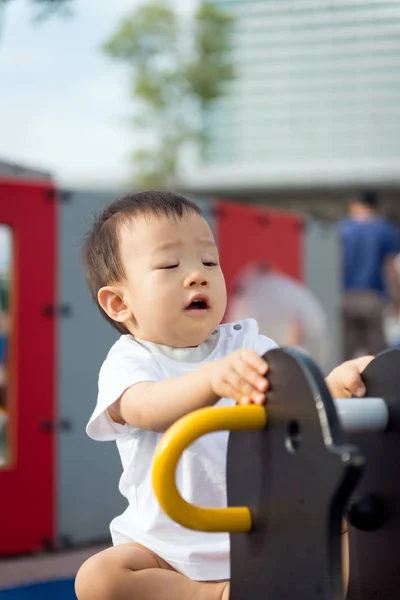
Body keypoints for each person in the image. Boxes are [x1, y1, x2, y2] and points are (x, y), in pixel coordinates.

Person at [75, 191, 373, 600]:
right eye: (169, 264)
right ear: (120, 303)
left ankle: (317, 590)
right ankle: (212, 595)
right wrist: (210, 381)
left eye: (209, 261)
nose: (197, 274)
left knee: (346, 514)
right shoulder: (132, 359)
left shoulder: (247, 341)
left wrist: (336, 387)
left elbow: (299, 405)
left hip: (264, 532)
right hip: (168, 551)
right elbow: (144, 407)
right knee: (98, 579)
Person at [339, 190, 400, 360]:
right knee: (378, 355)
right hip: (374, 298)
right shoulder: (386, 229)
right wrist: (397, 300)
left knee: (345, 354)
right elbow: (390, 267)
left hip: (346, 297)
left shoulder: (342, 228)